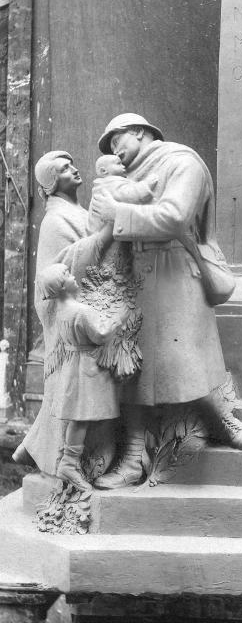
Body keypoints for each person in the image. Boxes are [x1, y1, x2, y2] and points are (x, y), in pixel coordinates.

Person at [91, 113, 242, 489]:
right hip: (132, 274)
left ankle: (222, 421)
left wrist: (116, 213)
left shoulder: (183, 162)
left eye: (117, 139)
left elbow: (175, 217)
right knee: (130, 368)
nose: (113, 150)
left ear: (140, 132)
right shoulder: (123, 177)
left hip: (175, 271)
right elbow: (99, 226)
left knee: (184, 361)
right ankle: (133, 457)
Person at [12, 151, 114, 475]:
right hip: (75, 313)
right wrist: (102, 238)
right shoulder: (55, 221)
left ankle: (34, 448)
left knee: (76, 403)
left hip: (89, 301)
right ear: (53, 183)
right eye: (63, 169)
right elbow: (59, 269)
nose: (73, 169)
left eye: (71, 164)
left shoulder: (78, 211)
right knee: (76, 403)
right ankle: (59, 456)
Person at [37, 263, 127, 491]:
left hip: (72, 367)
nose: (73, 276)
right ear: (60, 287)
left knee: (79, 417)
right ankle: (69, 462)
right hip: (86, 368)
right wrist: (118, 318)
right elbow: (100, 335)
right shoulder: (80, 311)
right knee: (82, 416)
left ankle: (69, 461)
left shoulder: (61, 311)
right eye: (67, 275)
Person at [87, 154, 158, 234]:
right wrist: (146, 185)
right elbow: (127, 195)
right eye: (118, 163)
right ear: (104, 171)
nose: (123, 166)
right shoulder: (107, 185)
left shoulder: (112, 183)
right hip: (104, 234)